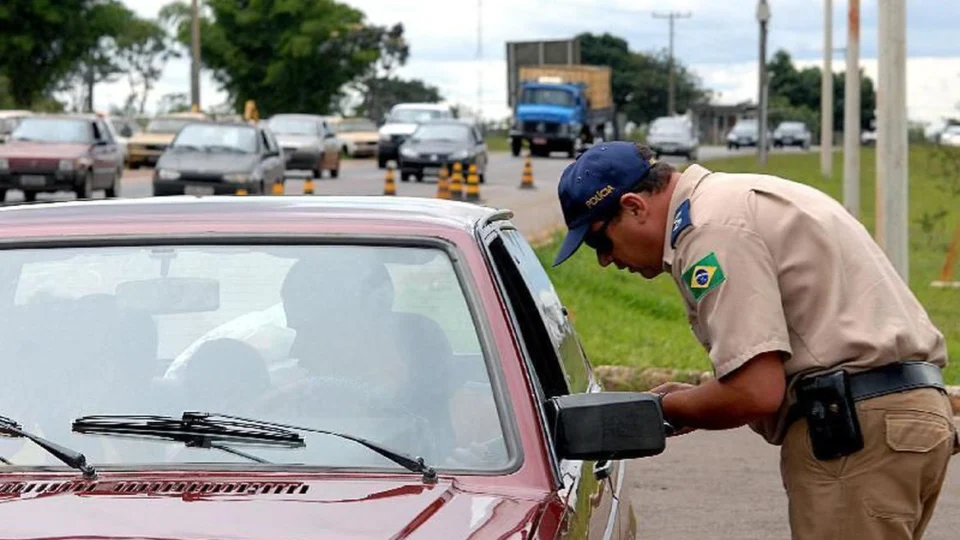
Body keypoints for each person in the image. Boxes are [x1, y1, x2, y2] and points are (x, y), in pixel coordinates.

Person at [551, 141, 957, 540]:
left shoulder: (709, 230)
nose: (604, 260)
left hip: (853, 433)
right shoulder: (736, 197)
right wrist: (694, 399)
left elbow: (755, 391)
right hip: (903, 418)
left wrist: (662, 409)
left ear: (634, 207)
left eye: (599, 240)